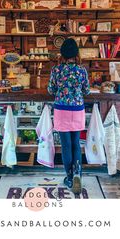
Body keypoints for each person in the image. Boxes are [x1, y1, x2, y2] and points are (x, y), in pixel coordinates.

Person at [48, 38, 90, 194]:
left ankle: (70, 177)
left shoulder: (57, 70)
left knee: (65, 145)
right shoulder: (82, 70)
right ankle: (78, 172)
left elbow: (51, 90)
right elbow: (86, 91)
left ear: (63, 54)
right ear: (76, 53)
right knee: (76, 143)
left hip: (62, 109)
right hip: (77, 109)